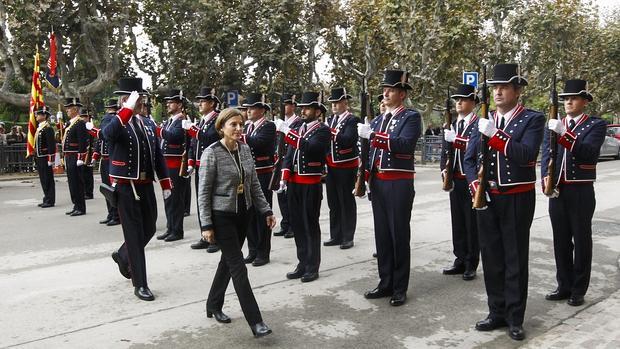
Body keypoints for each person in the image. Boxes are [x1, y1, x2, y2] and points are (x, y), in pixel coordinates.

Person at [463, 63, 545, 341]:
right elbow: (469, 159)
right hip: (487, 197)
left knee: (514, 258)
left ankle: (514, 317)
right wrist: (476, 185)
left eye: (504, 87)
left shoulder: (532, 119)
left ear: (517, 91)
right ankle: (496, 311)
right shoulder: (482, 120)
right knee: (492, 257)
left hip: (516, 197)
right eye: (494, 87)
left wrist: (494, 135)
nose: (497, 91)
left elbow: (526, 154)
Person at [198, 107, 275, 338]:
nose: (239, 129)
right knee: (238, 267)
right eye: (233, 125)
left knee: (227, 262)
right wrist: (206, 225)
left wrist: (266, 210)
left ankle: (213, 304)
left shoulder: (245, 149)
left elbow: (253, 185)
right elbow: (203, 192)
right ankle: (256, 322)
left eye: (241, 124)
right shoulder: (211, 153)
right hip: (222, 217)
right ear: (221, 127)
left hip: (244, 214)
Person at [102, 77, 172, 301]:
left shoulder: (148, 123)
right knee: (133, 235)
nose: (143, 101)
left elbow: (158, 155)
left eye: (142, 98)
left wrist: (165, 182)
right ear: (126, 99)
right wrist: (127, 109)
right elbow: (109, 135)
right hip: (126, 186)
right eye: (138, 98)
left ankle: (123, 255)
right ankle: (140, 283)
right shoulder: (113, 119)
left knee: (150, 227)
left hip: (145, 185)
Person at [357, 70, 422, 307]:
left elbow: (404, 145)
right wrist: (365, 176)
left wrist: (373, 136)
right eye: (384, 89)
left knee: (398, 235)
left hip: (398, 183)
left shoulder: (411, 117)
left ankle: (399, 287)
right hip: (379, 182)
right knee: (382, 236)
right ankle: (385, 282)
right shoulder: (378, 119)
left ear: (402, 94)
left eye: (391, 89)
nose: (385, 93)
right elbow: (370, 153)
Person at [541, 79, 606, 307]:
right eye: (566, 98)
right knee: (560, 241)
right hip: (558, 190)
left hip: (580, 190)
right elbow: (547, 154)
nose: (568, 101)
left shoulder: (595, 125)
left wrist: (565, 134)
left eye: (574, 97)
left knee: (581, 239)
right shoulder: (555, 123)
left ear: (584, 101)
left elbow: (589, 153)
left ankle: (578, 289)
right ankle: (564, 285)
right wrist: (545, 178)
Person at [275, 91, 331, 283]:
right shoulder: (299, 129)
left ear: (317, 111)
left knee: (310, 226)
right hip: (294, 184)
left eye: (308, 108)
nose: (304, 111)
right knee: (298, 225)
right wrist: (284, 175)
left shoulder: (323, 130)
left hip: (311, 184)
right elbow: (289, 154)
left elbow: (312, 148)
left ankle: (312, 266)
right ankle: (302, 263)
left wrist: (288, 133)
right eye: (302, 108)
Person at [440, 84, 480, 280]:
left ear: (473, 102)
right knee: (458, 222)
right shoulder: (453, 124)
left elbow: (477, 150)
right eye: (457, 100)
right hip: (455, 178)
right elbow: (444, 152)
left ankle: (471, 262)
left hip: (470, 179)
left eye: (463, 99)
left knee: (471, 223)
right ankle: (460, 258)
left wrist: (456, 140)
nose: (458, 103)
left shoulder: (478, 124)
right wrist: (444, 171)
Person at [182, 87, 222, 253]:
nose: (199, 104)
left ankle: (216, 238)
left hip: (212, 166)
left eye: (203, 101)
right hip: (199, 166)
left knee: (212, 202)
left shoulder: (217, 120)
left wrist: (192, 129)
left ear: (212, 103)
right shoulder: (202, 121)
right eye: (199, 101)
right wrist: (190, 162)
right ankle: (205, 234)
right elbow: (193, 144)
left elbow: (210, 137)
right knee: (202, 201)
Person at [240, 93, 276, 266]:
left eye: (252, 107)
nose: (248, 111)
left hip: (263, 173)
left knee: (263, 213)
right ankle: (252, 249)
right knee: (249, 214)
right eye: (247, 108)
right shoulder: (247, 127)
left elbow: (259, 143)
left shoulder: (268, 126)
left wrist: (240, 135)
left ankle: (263, 252)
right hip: (248, 175)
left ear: (262, 110)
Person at [324, 87, 360, 249]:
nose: (334, 105)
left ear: (345, 103)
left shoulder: (352, 120)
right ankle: (336, 235)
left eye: (337, 103)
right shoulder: (331, 120)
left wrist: (331, 132)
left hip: (346, 166)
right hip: (331, 166)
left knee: (346, 201)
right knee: (334, 202)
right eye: (332, 103)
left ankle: (348, 236)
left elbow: (348, 140)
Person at [156, 89, 188, 242]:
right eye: (167, 102)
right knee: (168, 197)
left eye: (171, 102)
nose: (168, 105)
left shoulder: (182, 120)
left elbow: (174, 137)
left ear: (179, 104)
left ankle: (177, 230)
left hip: (175, 165)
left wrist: (158, 130)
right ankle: (170, 227)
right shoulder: (170, 121)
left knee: (176, 199)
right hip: (166, 165)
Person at [273, 93, 303, 239]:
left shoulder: (298, 122)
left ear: (293, 106)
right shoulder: (279, 122)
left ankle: (293, 225)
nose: (284, 108)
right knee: (281, 195)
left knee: (291, 196)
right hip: (280, 160)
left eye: (286, 104)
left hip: (291, 160)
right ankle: (285, 224)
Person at [88, 98, 121, 226]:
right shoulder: (107, 119)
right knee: (106, 188)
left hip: (111, 159)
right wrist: (95, 156)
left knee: (112, 189)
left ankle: (116, 215)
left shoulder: (112, 119)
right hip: (104, 159)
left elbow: (102, 136)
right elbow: (100, 141)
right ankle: (111, 213)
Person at [62, 97, 88, 216]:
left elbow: (82, 142)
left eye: (68, 109)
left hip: (75, 156)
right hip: (68, 156)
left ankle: (80, 207)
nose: (66, 111)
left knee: (77, 182)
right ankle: (76, 205)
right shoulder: (70, 123)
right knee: (72, 182)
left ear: (74, 109)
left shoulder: (80, 123)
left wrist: (80, 158)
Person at [34, 106, 56, 208]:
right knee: (43, 179)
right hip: (39, 157)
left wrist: (51, 159)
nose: (36, 116)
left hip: (45, 157)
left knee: (48, 179)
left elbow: (51, 145)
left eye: (38, 114)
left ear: (44, 115)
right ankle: (46, 198)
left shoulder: (48, 128)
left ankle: (50, 200)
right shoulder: (40, 127)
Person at [79, 108, 95, 200]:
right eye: (81, 116)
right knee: (82, 172)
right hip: (83, 152)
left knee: (88, 173)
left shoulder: (90, 126)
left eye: (84, 117)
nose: (82, 118)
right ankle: (85, 191)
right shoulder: (82, 125)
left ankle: (89, 192)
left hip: (89, 152)